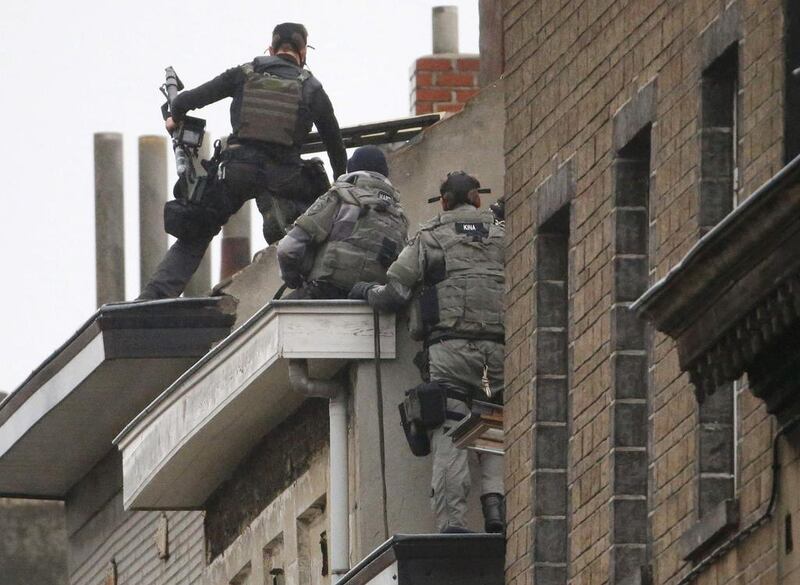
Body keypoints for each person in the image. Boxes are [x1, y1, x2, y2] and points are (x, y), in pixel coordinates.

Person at [138, 22, 347, 300]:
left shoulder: (244, 73)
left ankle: (153, 299)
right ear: (303, 52)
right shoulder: (312, 88)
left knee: (197, 233)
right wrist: (338, 187)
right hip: (284, 177)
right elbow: (335, 144)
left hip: (236, 171)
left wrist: (174, 118)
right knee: (312, 226)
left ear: (271, 49)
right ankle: (321, 286)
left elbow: (187, 101)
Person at [349, 171, 505, 534]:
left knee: (452, 429)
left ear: (445, 201)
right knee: (495, 424)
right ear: (477, 198)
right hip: (500, 353)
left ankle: (452, 523)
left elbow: (393, 295)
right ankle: (496, 511)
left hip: (449, 352)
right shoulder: (504, 236)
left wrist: (364, 291)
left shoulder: (430, 238)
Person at [277, 146, 409, 299]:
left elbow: (287, 248)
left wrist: (293, 279)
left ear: (351, 169)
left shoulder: (341, 196)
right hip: (372, 304)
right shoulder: (400, 217)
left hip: (324, 293)